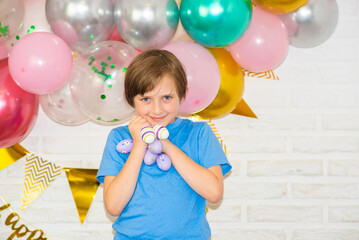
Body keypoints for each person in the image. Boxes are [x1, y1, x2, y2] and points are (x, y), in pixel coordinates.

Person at [96, 49, 231, 240]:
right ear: (130, 98)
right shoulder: (119, 138)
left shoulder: (199, 134)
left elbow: (214, 192)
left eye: (167, 97)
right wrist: (139, 145)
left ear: (183, 94)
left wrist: (165, 143)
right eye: (145, 99)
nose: (157, 109)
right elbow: (113, 206)